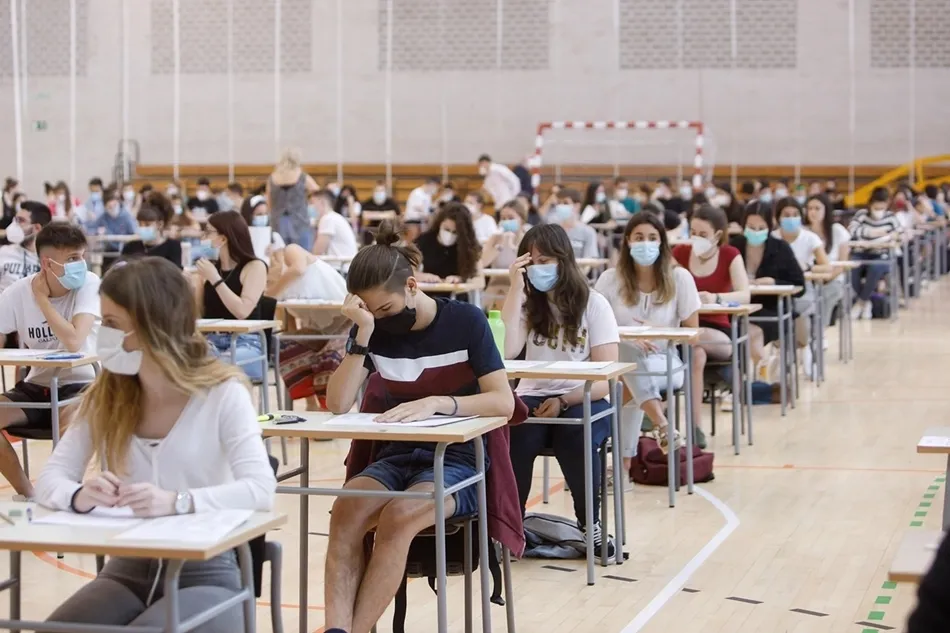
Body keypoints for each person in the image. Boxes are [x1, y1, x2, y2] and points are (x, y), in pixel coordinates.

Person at [35, 256, 275, 632]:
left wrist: (178, 502)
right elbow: (51, 480)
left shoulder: (223, 392)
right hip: (127, 570)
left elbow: (262, 490)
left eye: (112, 325)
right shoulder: (107, 393)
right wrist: (80, 495)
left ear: (153, 326)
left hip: (208, 572)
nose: (103, 335)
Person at [322, 221, 515, 633]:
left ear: (411, 286)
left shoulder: (465, 321)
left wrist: (440, 403)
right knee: (345, 511)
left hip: (461, 461)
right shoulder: (372, 331)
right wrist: (361, 334)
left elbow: (504, 401)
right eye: (369, 311)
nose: (380, 318)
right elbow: (337, 403)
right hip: (398, 455)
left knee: (400, 515)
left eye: (385, 310)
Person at [501, 223, 618, 553]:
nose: (539, 269)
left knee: (575, 434)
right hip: (533, 395)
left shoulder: (594, 304)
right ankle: (512, 525)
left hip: (584, 395)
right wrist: (514, 288)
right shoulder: (527, 305)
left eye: (546, 260)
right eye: (532, 262)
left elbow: (606, 376)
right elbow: (508, 351)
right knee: (515, 433)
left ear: (564, 260)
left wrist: (565, 400)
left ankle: (589, 524)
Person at [0, 223, 100, 498]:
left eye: (81, 256)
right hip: (36, 386)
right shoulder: (17, 293)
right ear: (47, 263)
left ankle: (65, 496)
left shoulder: (89, 284)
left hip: (83, 384)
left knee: (73, 426)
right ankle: (30, 494)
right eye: (72, 259)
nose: (80, 264)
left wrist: (42, 301)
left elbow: (74, 341)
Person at [595, 213, 706, 455]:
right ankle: (662, 424)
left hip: (665, 361)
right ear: (627, 241)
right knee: (625, 361)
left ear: (662, 243)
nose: (645, 243)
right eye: (639, 237)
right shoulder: (609, 279)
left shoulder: (680, 277)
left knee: (625, 379)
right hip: (617, 361)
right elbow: (593, 325)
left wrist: (658, 332)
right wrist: (628, 337)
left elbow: (694, 334)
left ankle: (621, 466)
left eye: (652, 237)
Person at [731, 201, 807, 380]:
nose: (756, 231)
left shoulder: (780, 248)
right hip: (740, 307)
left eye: (761, 227)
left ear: (769, 226)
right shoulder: (735, 246)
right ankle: (755, 373)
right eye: (751, 227)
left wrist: (773, 282)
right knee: (743, 330)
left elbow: (799, 284)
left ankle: (748, 379)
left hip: (773, 309)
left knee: (750, 332)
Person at [672, 204, 754, 365]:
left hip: (716, 329)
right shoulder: (680, 252)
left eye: (703, 234)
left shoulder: (730, 254)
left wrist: (715, 298)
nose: (696, 238)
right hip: (685, 323)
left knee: (692, 339)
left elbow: (745, 295)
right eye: (693, 233)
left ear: (717, 235)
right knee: (697, 355)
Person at [195, 211, 267, 382]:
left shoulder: (254, 267)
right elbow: (199, 316)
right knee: (184, 361)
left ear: (223, 238)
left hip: (246, 342)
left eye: (208, 233)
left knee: (217, 367)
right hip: (211, 340)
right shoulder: (210, 269)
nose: (204, 238)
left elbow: (242, 311)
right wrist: (196, 285)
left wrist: (215, 279)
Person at [848, 186, 901, 320]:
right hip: (860, 252)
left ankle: (860, 303)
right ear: (871, 204)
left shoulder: (891, 218)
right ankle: (866, 301)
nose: (878, 211)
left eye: (881, 208)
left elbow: (899, 234)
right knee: (852, 270)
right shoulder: (861, 214)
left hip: (881, 254)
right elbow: (852, 230)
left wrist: (893, 237)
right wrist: (872, 233)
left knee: (875, 268)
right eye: (876, 208)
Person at [805, 193, 851, 327]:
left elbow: (842, 263)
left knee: (826, 293)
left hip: (833, 280)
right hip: (808, 281)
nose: (813, 212)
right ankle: (804, 337)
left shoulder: (838, 231)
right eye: (810, 208)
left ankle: (819, 333)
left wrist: (827, 278)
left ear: (826, 210)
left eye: (817, 208)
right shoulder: (803, 232)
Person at [414, 202, 482, 293]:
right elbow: (406, 270)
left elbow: (479, 280)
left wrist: (461, 279)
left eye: (455, 232)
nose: (450, 234)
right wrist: (421, 276)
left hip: (458, 298)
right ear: (439, 224)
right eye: (446, 229)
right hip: (428, 295)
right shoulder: (424, 241)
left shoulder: (469, 246)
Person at [267, 148, 319, 251]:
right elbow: (317, 191)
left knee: (280, 253)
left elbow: (269, 202)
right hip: (299, 220)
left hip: (278, 221)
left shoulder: (272, 178)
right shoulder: (302, 176)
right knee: (303, 254)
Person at [0, 201, 51, 295]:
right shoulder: (3, 252)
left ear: (37, 228)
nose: (14, 225)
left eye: (21, 221)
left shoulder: (50, 259)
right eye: (15, 220)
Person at [122, 192, 183, 268]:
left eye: (147, 224)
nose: (143, 228)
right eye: (140, 224)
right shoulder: (130, 247)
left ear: (159, 224)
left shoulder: (173, 246)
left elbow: (174, 273)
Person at [774, 197, 828, 271]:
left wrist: (808, 268)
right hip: (776, 282)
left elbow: (826, 266)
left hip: (804, 281)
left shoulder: (811, 238)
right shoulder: (772, 238)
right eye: (786, 215)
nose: (791, 218)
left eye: (795, 215)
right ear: (778, 218)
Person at [549, 188, 599, 260]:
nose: (561, 206)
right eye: (559, 203)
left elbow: (589, 260)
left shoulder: (588, 232)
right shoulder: (551, 231)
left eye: (565, 203)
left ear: (577, 206)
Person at [311, 190, 358, 260]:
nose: (311, 207)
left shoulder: (328, 219)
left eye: (313, 203)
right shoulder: (334, 217)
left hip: (340, 267)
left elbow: (317, 251)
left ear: (322, 202)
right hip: (343, 264)